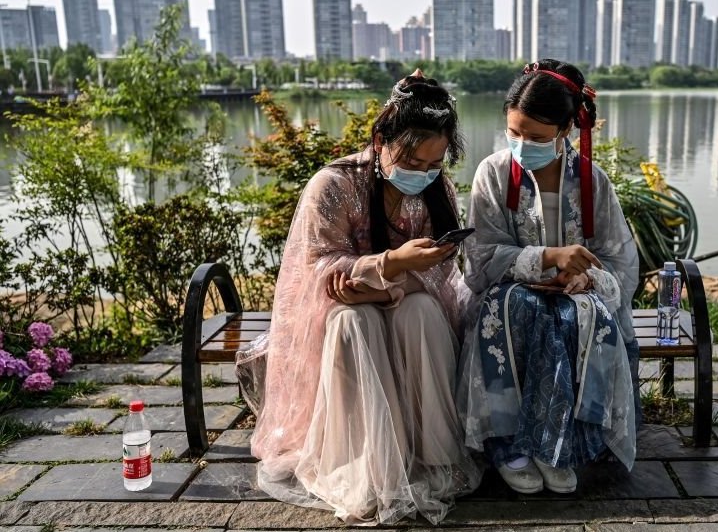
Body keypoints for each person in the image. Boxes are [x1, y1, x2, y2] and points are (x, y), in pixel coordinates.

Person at [236, 69, 482, 525]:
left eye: (434, 165)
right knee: (354, 322)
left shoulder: (437, 190)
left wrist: (390, 278)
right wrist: (390, 264)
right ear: (381, 141)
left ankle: (433, 453)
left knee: (424, 312)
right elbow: (316, 272)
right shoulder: (333, 185)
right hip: (341, 315)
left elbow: (443, 272)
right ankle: (370, 463)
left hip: (407, 299)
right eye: (413, 165)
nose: (425, 175)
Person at [456, 59, 641, 495]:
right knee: (520, 308)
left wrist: (587, 280)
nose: (523, 145)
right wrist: (548, 257)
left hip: (577, 292)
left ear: (566, 132)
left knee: (576, 314)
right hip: (509, 290)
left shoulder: (593, 181)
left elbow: (620, 260)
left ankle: (558, 446)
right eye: (515, 133)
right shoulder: (493, 174)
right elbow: (480, 259)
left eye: (537, 138)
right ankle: (508, 447)